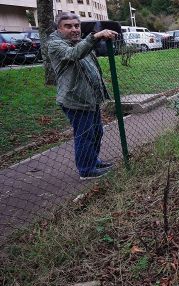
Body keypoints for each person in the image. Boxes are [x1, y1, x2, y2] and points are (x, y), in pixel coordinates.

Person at [47, 12, 118, 180]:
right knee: (85, 135)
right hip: (75, 99)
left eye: (76, 26)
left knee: (96, 132)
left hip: (90, 98)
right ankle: (86, 169)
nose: (74, 29)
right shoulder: (56, 45)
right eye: (68, 26)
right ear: (59, 28)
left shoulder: (79, 42)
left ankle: (93, 161)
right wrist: (95, 36)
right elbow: (74, 54)